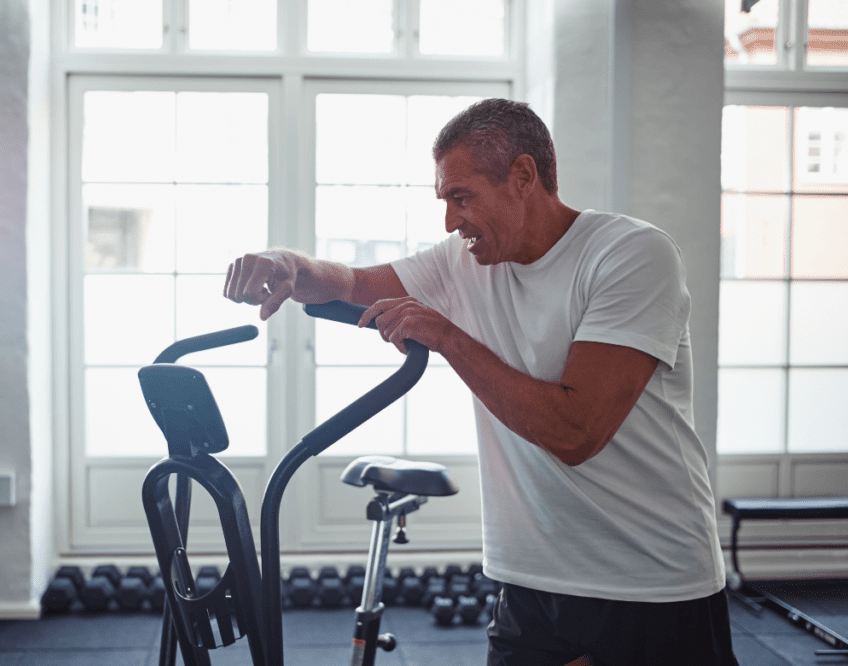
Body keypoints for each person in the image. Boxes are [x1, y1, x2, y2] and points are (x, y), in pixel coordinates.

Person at [223, 98, 738, 666]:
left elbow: (575, 432)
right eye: (445, 201)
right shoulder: (461, 261)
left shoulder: (629, 255)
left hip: (649, 584)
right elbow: (347, 282)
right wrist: (287, 266)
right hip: (530, 580)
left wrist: (448, 337)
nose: (450, 221)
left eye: (461, 198)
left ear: (523, 176)